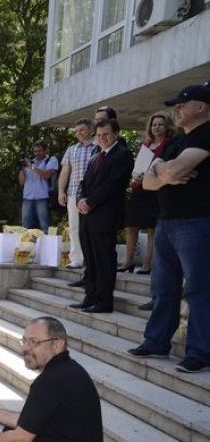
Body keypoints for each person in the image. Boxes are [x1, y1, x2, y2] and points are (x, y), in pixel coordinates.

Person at [128, 83, 210, 374]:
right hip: (167, 222)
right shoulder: (176, 142)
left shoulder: (207, 133)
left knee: (200, 289)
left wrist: (163, 172)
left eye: (181, 104)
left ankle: (200, 352)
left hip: (198, 222)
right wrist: (164, 174)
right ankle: (156, 341)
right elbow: (147, 183)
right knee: (163, 288)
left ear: (200, 106)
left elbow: (169, 172)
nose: (177, 109)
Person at [71, 118, 133, 314]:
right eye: (99, 136)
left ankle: (105, 301)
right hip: (87, 217)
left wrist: (90, 201)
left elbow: (113, 185)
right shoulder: (95, 155)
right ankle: (90, 296)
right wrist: (81, 199)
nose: (102, 139)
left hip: (105, 217)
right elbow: (83, 183)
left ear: (115, 133)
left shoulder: (122, 155)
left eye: (106, 134)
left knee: (104, 259)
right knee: (90, 259)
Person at [119, 112, 175, 274]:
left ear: (167, 126)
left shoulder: (169, 144)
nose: (157, 127)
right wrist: (136, 178)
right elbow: (139, 169)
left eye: (160, 124)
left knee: (152, 228)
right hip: (139, 189)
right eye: (154, 124)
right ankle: (127, 262)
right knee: (131, 225)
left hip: (157, 190)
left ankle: (148, 264)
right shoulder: (146, 145)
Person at [57, 118, 95, 270]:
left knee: (93, 228)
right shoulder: (71, 149)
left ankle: (92, 259)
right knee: (75, 227)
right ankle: (77, 259)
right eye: (77, 131)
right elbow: (65, 172)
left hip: (93, 194)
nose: (79, 133)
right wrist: (61, 191)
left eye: (82, 130)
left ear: (91, 130)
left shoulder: (99, 147)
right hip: (73, 193)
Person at [18, 140, 58, 232]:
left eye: (39, 151)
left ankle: (48, 245)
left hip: (43, 197)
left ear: (46, 150)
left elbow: (47, 175)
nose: (37, 153)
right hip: (28, 197)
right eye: (35, 151)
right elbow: (21, 182)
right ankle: (27, 246)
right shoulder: (30, 162)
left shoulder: (51, 160)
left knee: (45, 225)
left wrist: (31, 166)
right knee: (25, 226)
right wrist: (22, 168)